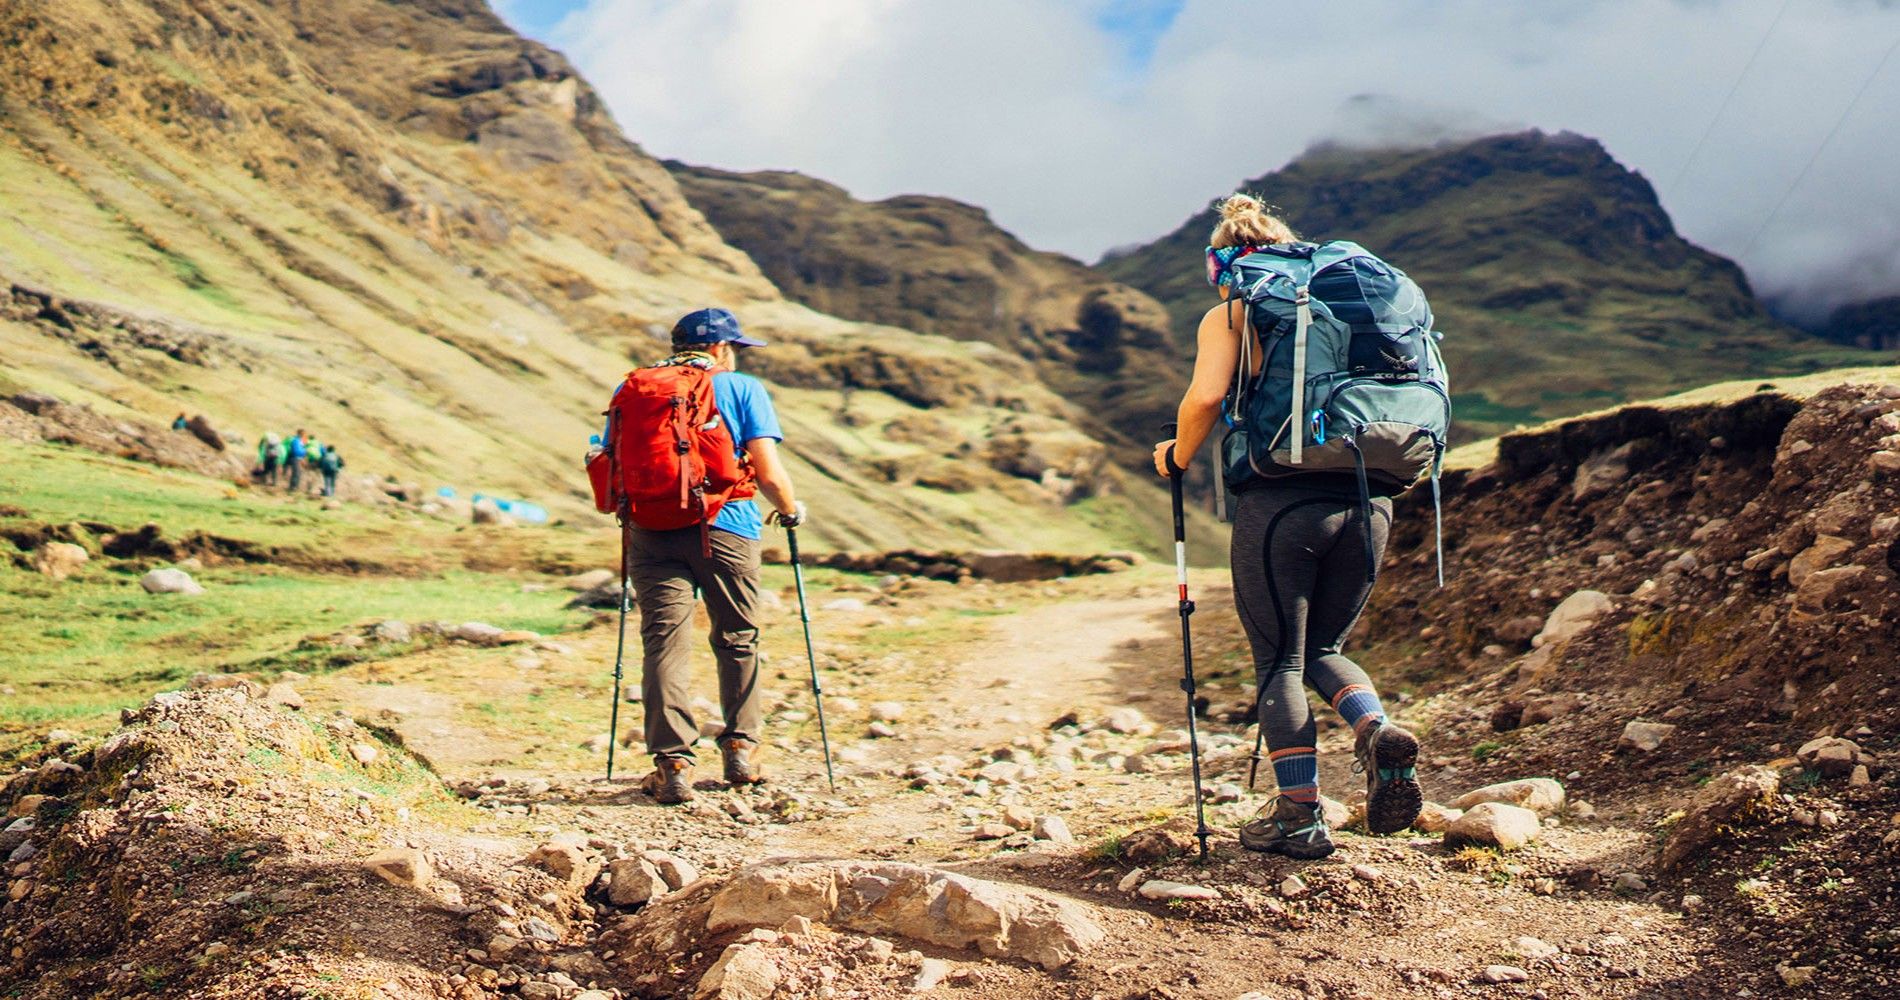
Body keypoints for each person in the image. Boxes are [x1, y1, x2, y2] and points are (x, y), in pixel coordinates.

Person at [1152, 194, 1422, 860]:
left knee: (1280, 660)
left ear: (1225, 261)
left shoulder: (1236, 309)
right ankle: (1375, 731)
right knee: (1325, 647)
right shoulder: (1357, 303)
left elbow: (1209, 397)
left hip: (1283, 502)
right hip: (1372, 498)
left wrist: (1175, 457)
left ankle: (1300, 817)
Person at [607, 308, 803, 805]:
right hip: (727, 526)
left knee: (664, 642)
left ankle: (673, 763)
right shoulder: (742, 389)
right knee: (738, 636)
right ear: (720, 348)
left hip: (651, 530)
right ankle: (741, 749)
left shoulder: (632, 388)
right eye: (734, 347)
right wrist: (790, 511)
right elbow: (768, 471)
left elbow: (608, 457)